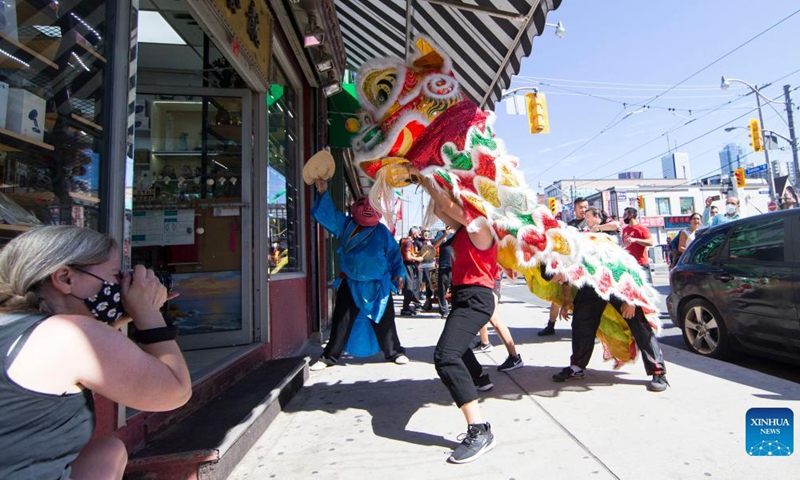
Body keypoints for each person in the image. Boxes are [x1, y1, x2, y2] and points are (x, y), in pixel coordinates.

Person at [0, 225, 192, 479]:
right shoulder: (72, 334)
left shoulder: (16, 324)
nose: (119, 285)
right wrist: (148, 314)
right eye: (114, 276)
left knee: (108, 451)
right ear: (65, 278)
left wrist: (117, 316)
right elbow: (174, 393)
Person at [412, 166, 498, 464]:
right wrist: (424, 180)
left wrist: (424, 171)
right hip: (464, 297)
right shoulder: (465, 229)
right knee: (456, 353)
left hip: (477, 299)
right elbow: (440, 207)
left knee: (445, 356)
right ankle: (480, 378)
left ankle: (479, 429)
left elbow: (448, 204)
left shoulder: (482, 226)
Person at [309, 180, 409, 371]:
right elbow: (329, 215)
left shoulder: (381, 231)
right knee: (341, 320)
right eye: (362, 203)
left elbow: (394, 253)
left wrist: (399, 273)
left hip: (378, 284)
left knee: (386, 320)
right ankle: (329, 356)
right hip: (351, 282)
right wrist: (323, 190)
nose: (367, 207)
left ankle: (395, 352)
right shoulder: (346, 225)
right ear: (355, 207)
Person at [543, 265, 668, 392]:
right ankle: (576, 367)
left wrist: (631, 301)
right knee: (581, 321)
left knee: (639, 324)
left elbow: (630, 270)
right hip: (591, 285)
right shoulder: (568, 260)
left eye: (558, 279)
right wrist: (566, 300)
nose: (560, 283)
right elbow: (566, 280)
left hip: (617, 283)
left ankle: (658, 371)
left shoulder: (600, 258)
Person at [539, 198, 590, 335]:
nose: (584, 210)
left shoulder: (592, 221)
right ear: (575, 208)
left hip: (585, 268)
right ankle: (551, 325)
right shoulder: (570, 225)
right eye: (581, 207)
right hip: (568, 266)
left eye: (586, 207)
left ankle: (591, 330)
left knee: (586, 301)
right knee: (557, 299)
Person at [472, 270, 523, 373]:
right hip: (485, 279)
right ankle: (484, 343)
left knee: (493, 318)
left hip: (490, 280)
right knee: (482, 313)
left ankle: (514, 356)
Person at [622, 207, 655, 285]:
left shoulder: (641, 228)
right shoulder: (625, 229)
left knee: (646, 288)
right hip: (629, 264)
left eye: (625, 214)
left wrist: (636, 240)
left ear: (631, 215)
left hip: (641, 263)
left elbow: (650, 242)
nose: (623, 217)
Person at [400, 227, 424, 315]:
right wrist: (418, 259)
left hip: (407, 265)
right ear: (414, 234)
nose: (418, 235)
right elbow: (408, 257)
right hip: (408, 265)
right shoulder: (409, 243)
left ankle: (407, 307)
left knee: (410, 286)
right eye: (418, 233)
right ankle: (405, 308)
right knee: (409, 287)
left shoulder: (405, 241)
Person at [434, 227, 455, 318]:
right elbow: (435, 244)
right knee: (442, 289)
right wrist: (444, 235)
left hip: (455, 266)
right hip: (444, 265)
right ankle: (443, 310)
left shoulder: (457, 233)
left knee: (456, 289)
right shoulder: (441, 233)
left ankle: (455, 309)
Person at [418, 229, 437, 311]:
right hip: (424, 265)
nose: (426, 233)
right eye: (424, 231)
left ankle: (436, 300)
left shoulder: (432, 241)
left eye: (428, 232)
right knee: (428, 283)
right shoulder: (419, 241)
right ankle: (428, 302)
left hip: (432, 264)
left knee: (434, 283)